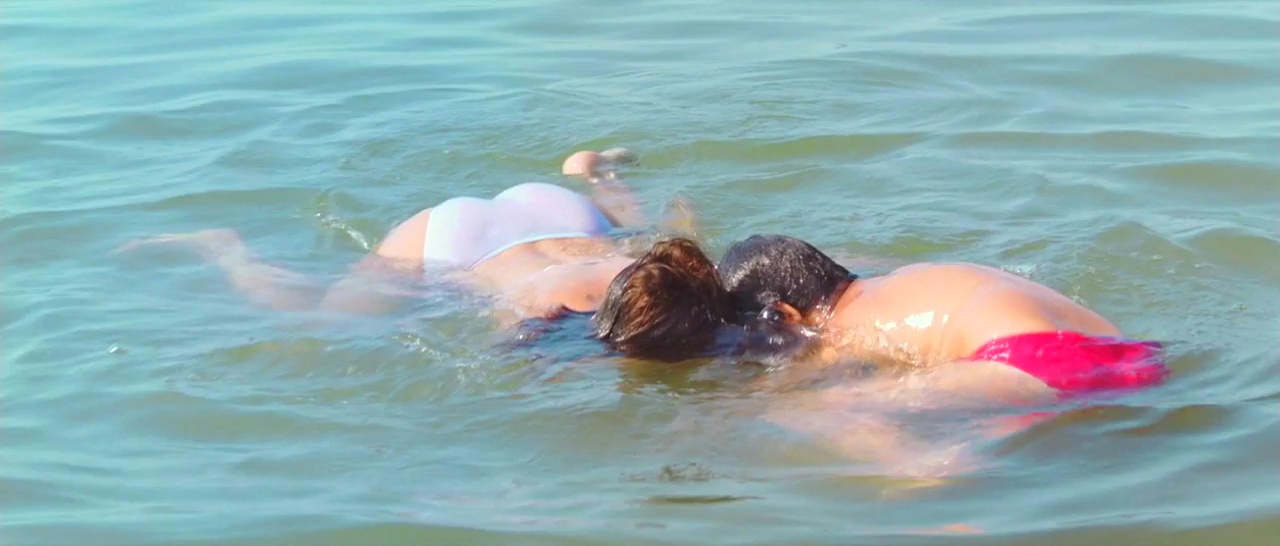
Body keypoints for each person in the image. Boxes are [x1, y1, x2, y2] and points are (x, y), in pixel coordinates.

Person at [118, 149, 748, 360]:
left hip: (558, 216)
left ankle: (595, 173)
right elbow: (505, 352)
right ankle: (225, 248)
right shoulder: (550, 305)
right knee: (323, 316)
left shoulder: (660, 278)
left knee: (643, 232)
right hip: (460, 238)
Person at [718, 235, 1169, 398]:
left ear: (784, 313)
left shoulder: (840, 329)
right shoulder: (907, 278)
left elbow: (805, 377)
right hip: (1130, 354)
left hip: (1035, 363)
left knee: (829, 408)